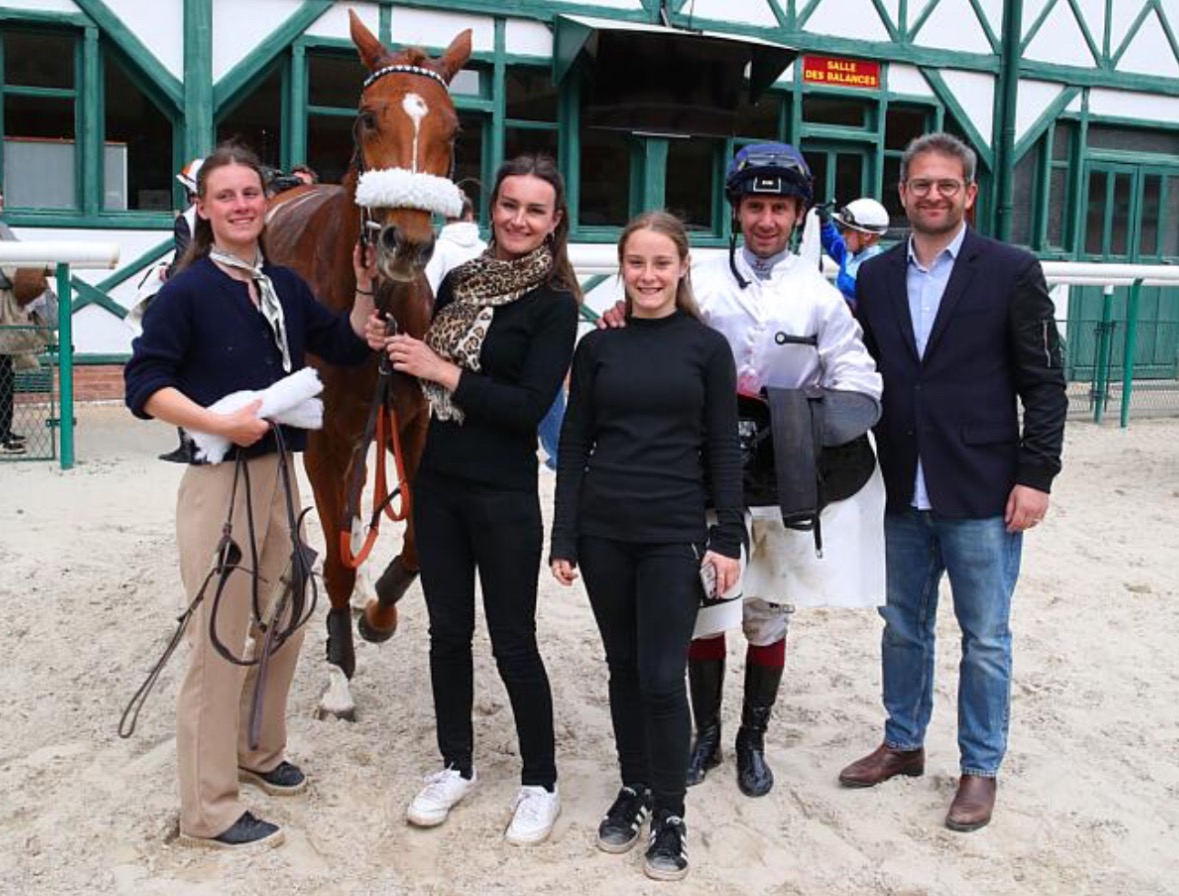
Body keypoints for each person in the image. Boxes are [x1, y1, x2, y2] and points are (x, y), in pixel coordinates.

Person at [123, 142, 377, 850]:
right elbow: (144, 386)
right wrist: (217, 423)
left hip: (277, 473)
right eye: (225, 195)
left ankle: (256, 749)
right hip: (219, 479)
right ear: (204, 209)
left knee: (288, 610)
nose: (241, 205)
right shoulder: (186, 292)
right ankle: (207, 812)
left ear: (265, 201)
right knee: (219, 636)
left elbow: (346, 344)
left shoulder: (282, 285)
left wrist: (363, 290)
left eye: (250, 193)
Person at [838, 132, 1067, 832]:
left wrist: (1036, 475)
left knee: (985, 637)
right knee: (901, 627)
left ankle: (979, 766)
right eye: (920, 184)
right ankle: (903, 742)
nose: (932, 195)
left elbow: (1044, 383)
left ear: (968, 193)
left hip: (983, 489)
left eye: (946, 184)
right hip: (900, 485)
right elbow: (859, 367)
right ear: (902, 194)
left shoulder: (1010, 270)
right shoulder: (876, 277)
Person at [368, 155, 579, 845]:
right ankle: (455, 764)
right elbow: (423, 375)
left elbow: (526, 408)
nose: (519, 219)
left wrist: (441, 369)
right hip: (439, 481)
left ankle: (540, 782)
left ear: (554, 221)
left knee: (514, 642)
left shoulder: (555, 304)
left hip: (503, 492)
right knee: (446, 634)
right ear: (492, 209)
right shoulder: (459, 279)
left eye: (535, 210)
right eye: (509, 205)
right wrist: (394, 348)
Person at [551, 211, 743, 881]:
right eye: (637, 262)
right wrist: (564, 534)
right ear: (622, 268)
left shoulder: (707, 348)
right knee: (623, 668)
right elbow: (574, 442)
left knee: (662, 677)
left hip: (672, 531)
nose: (649, 275)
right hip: (604, 530)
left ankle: (670, 812)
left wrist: (727, 537)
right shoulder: (597, 347)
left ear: (683, 267)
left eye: (662, 263)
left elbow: (723, 447)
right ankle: (633, 786)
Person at [819, 197, 890, 309]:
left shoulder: (878, 270)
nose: (844, 236)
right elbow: (833, 242)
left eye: (848, 231)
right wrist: (825, 224)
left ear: (866, 235)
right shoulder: (850, 252)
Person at [424, 189, 487, 294]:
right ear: (469, 215)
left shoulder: (438, 249)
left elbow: (429, 289)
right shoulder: (484, 248)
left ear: (446, 217)